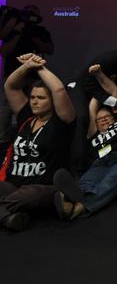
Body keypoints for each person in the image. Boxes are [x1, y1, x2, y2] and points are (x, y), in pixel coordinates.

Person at [53, 64, 117, 220]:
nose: (103, 121)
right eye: (100, 120)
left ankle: (81, 206)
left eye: (107, 118)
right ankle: (72, 199)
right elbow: (92, 107)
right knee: (87, 181)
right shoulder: (93, 132)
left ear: (113, 118)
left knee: (113, 178)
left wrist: (99, 76)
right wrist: (96, 97)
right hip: (101, 162)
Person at [0, 53, 74, 231]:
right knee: (10, 192)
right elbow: (10, 86)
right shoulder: (27, 117)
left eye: (41, 98)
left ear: (52, 101)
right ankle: (8, 217)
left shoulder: (62, 120)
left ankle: (6, 214)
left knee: (28, 196)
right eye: (32, 97)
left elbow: (59, 90)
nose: (34, 102)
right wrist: (26, 66)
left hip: (42, 187)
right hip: (13, 185)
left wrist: (39, 67)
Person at [0, 5, 54, 148]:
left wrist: (32, 35)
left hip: (33, 77)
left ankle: (28, 135)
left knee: (33, 106)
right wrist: (18, 32)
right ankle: (2, 140)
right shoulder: (13, 31)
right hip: (12, 75)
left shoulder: (39, 31)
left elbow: (49, 49)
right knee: (6, 108)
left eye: (33, 14)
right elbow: (4, 52)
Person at [66, 50, 117, 173]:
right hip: (81, 88)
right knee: (82, 117)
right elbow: (89, 84)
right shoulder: (111, 59)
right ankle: (77, 169)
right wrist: (113, 101)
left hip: (100, 92)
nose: (104, 120)